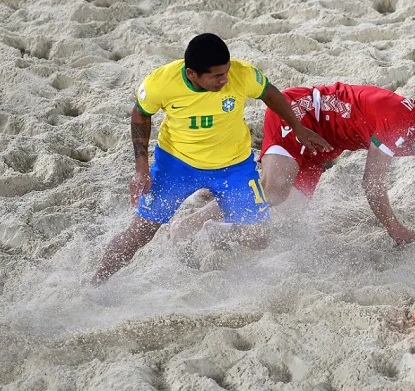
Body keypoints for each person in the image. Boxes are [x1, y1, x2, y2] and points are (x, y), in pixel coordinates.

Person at [91, 33, 332, 284]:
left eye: (226, 72)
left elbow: (270, 93)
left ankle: (211, 230)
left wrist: (298, 128)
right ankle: (95, 282)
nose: (225, 80)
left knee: (259, 237)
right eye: (217, 76)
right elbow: (141, 114)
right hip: (177, 165)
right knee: (139, 233)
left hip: (233, 166)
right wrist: (141, 168)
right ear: (192, 73)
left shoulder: (241, 74)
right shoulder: (161, 82)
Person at [171, 82, 415, 245]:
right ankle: (187, 225)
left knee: (292, 211)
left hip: (323, 148)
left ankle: (220, 213)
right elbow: (372, 183)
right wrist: (395, 228)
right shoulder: (396, 121)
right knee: (274, 191)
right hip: (299, 113)